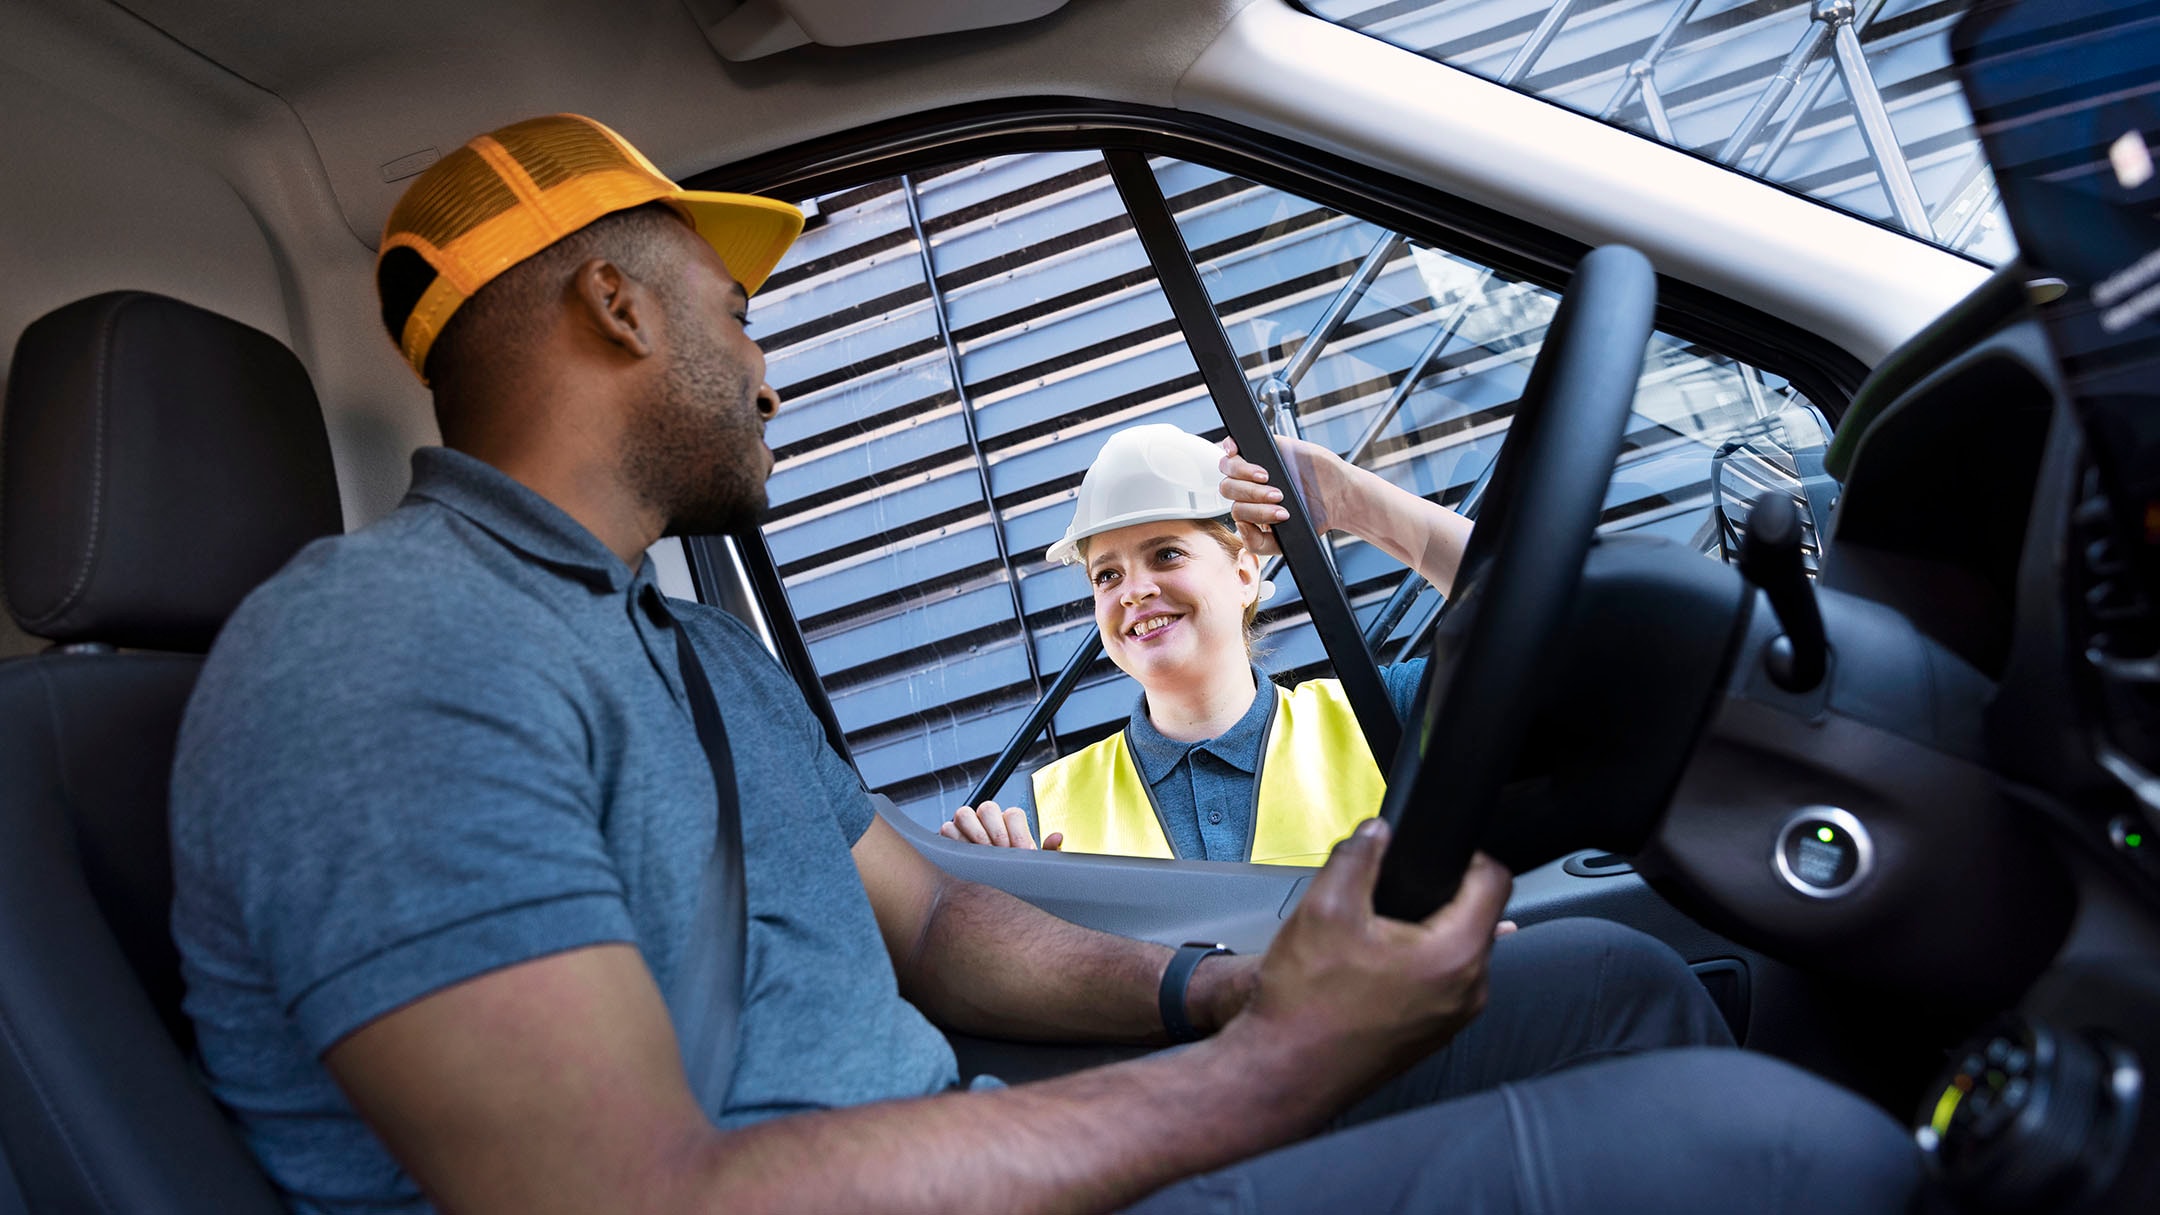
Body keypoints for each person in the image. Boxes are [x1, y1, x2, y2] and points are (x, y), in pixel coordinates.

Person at [169, 112, 1919, 1215]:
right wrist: (1268, 1076)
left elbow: (926, 926)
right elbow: (640, 1197)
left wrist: (1214, 998)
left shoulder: (687, 648)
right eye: (737, 312)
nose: (766, 368)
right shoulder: (373, 657)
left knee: (1602, 995)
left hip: (927, 1139)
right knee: (1790, 1159)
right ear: (618, 310)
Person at [941, 423, 1465, 863]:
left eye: (1166, 554)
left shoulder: (1383, 713)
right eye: (1106, 575)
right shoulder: (1043, 814)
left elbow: (1533, 605)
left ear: (1244, 575)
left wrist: (1349, 498)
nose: (1134, 591)